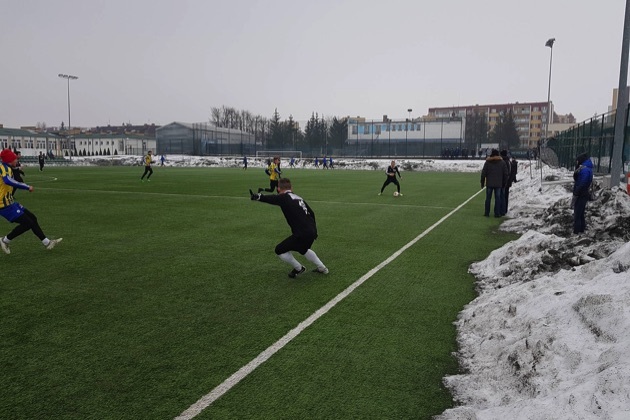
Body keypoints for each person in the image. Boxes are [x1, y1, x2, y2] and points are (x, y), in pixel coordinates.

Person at [249, 178, 328, 278]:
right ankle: (322, 268)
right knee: (303, 249)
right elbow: (312, 213)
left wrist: (258, 197)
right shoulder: (298, 197)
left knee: (279, 250)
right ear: (291, 187)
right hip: (311, 231)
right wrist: (314, 229)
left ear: (278, 189)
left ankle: (299, 268)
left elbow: (271, 198)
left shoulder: (284, 197)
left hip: (301, 233)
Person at [0, 149, 62, 255]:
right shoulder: (3, 167)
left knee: (32, 218)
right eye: (15, 158)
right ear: (10, 160)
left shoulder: (7, 167)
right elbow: (7, 180)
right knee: (27, 223)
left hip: (10, 202)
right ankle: (4, 240)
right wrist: (26, 186)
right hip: (3, 205)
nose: (17, 160)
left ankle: (47, 243)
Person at [480, 149, 508, 217]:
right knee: (498, 199)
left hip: (489, 183)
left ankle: (487, 212)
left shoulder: (487, 162)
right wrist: (504, 183)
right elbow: (505, 174)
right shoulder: (502, 162)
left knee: (488, 198)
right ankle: (497, 213)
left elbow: (483, 173)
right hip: (498, 183)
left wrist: (482, 182)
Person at [572, 152, 593, 234]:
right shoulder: (585, 168)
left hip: (581, 194)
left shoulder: (585, 170)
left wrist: (577, 192)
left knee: (577, 214)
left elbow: (583, 182)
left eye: (577, 161)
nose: (576, 162)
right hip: (583, 193)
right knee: (580, 213)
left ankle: (577, 231)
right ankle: (581, 229)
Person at [499, 150, 512, 216]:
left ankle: (502, 210)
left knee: (503, 196)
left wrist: (504, 181)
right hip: (507, 181)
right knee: (505, 196)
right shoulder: (508, 161)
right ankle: (504, 210)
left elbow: (506, 173)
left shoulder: (504, 162)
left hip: (504, 182)